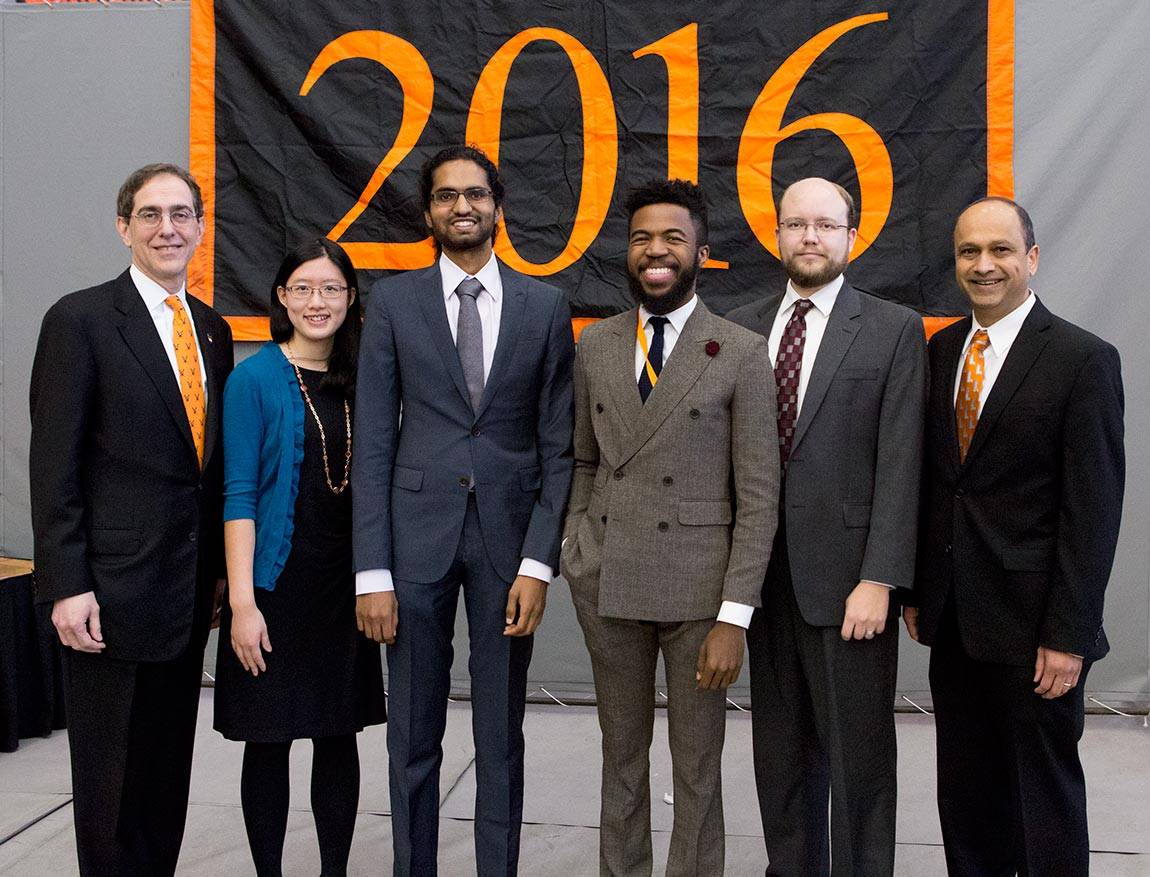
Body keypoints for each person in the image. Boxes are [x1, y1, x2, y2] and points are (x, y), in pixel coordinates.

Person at [352, 145, 575, 875]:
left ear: (497, 206)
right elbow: (374, 442)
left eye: (475, 194)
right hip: (413, 545)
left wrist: (539, 563)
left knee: (500, 734)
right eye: (446, 196)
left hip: (509, 549)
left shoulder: (545, 306)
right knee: (412, 733)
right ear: (428, 212)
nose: (462, 206)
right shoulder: (393, 302)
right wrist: (371, 572)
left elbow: (558, 447)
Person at [562, 178, 778, 875]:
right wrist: (576, 547)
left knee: (697, 766)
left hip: (700, 594)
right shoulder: (596, 344)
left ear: (701, 253)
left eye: (672, 238)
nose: (655, 251)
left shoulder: (740, 350)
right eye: (641, 239)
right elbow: (583, 459)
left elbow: (758, 495)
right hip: (609, 578)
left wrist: (735, 615)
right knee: (621, 758)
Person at [904, 197, 1124, 875]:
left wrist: (1068, 634)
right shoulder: (942, 350)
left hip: (1036, 632)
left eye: (1000, 249)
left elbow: (1093, 512)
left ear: (1031, 258)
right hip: (955, 621)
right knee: (968, 798)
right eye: (969, 251)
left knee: (1042, 802)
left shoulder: (1083, 359)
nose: (984, 264)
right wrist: (919, 591)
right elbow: (938, 484)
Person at [29, 163, 233, 875]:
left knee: (164, 776)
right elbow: (53, 464)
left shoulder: (211, 330)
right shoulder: (80, 320)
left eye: (181, 214)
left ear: (200, 228)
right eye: (150, 214)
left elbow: (205, 467)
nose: (167, 229)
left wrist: (217, 573)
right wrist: (65, 584)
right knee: (111, 783)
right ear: (124, 227)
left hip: (185, 594)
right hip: (107, 596)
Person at [727, 177, 927, 875]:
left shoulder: (893, 328)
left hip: (849, 585)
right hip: (760, 581)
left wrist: (881, 578)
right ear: (777, 233)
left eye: (825, 225)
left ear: (851, 236)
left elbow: (902, 461)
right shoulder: (740, 326)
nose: (809, 236)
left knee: (859, 759)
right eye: (796, 224)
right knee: (779, 756)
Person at [213, 237, 386, 875]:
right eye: (304, 288)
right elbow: (237, 496)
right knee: (269, 742)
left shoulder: (367, 376)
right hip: (274, 591)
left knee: (339, 737)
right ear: (282, 298)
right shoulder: (253, 379)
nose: (318, 301)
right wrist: (242, 605)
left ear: (351, 298)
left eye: (332, 288)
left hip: (344, 592)